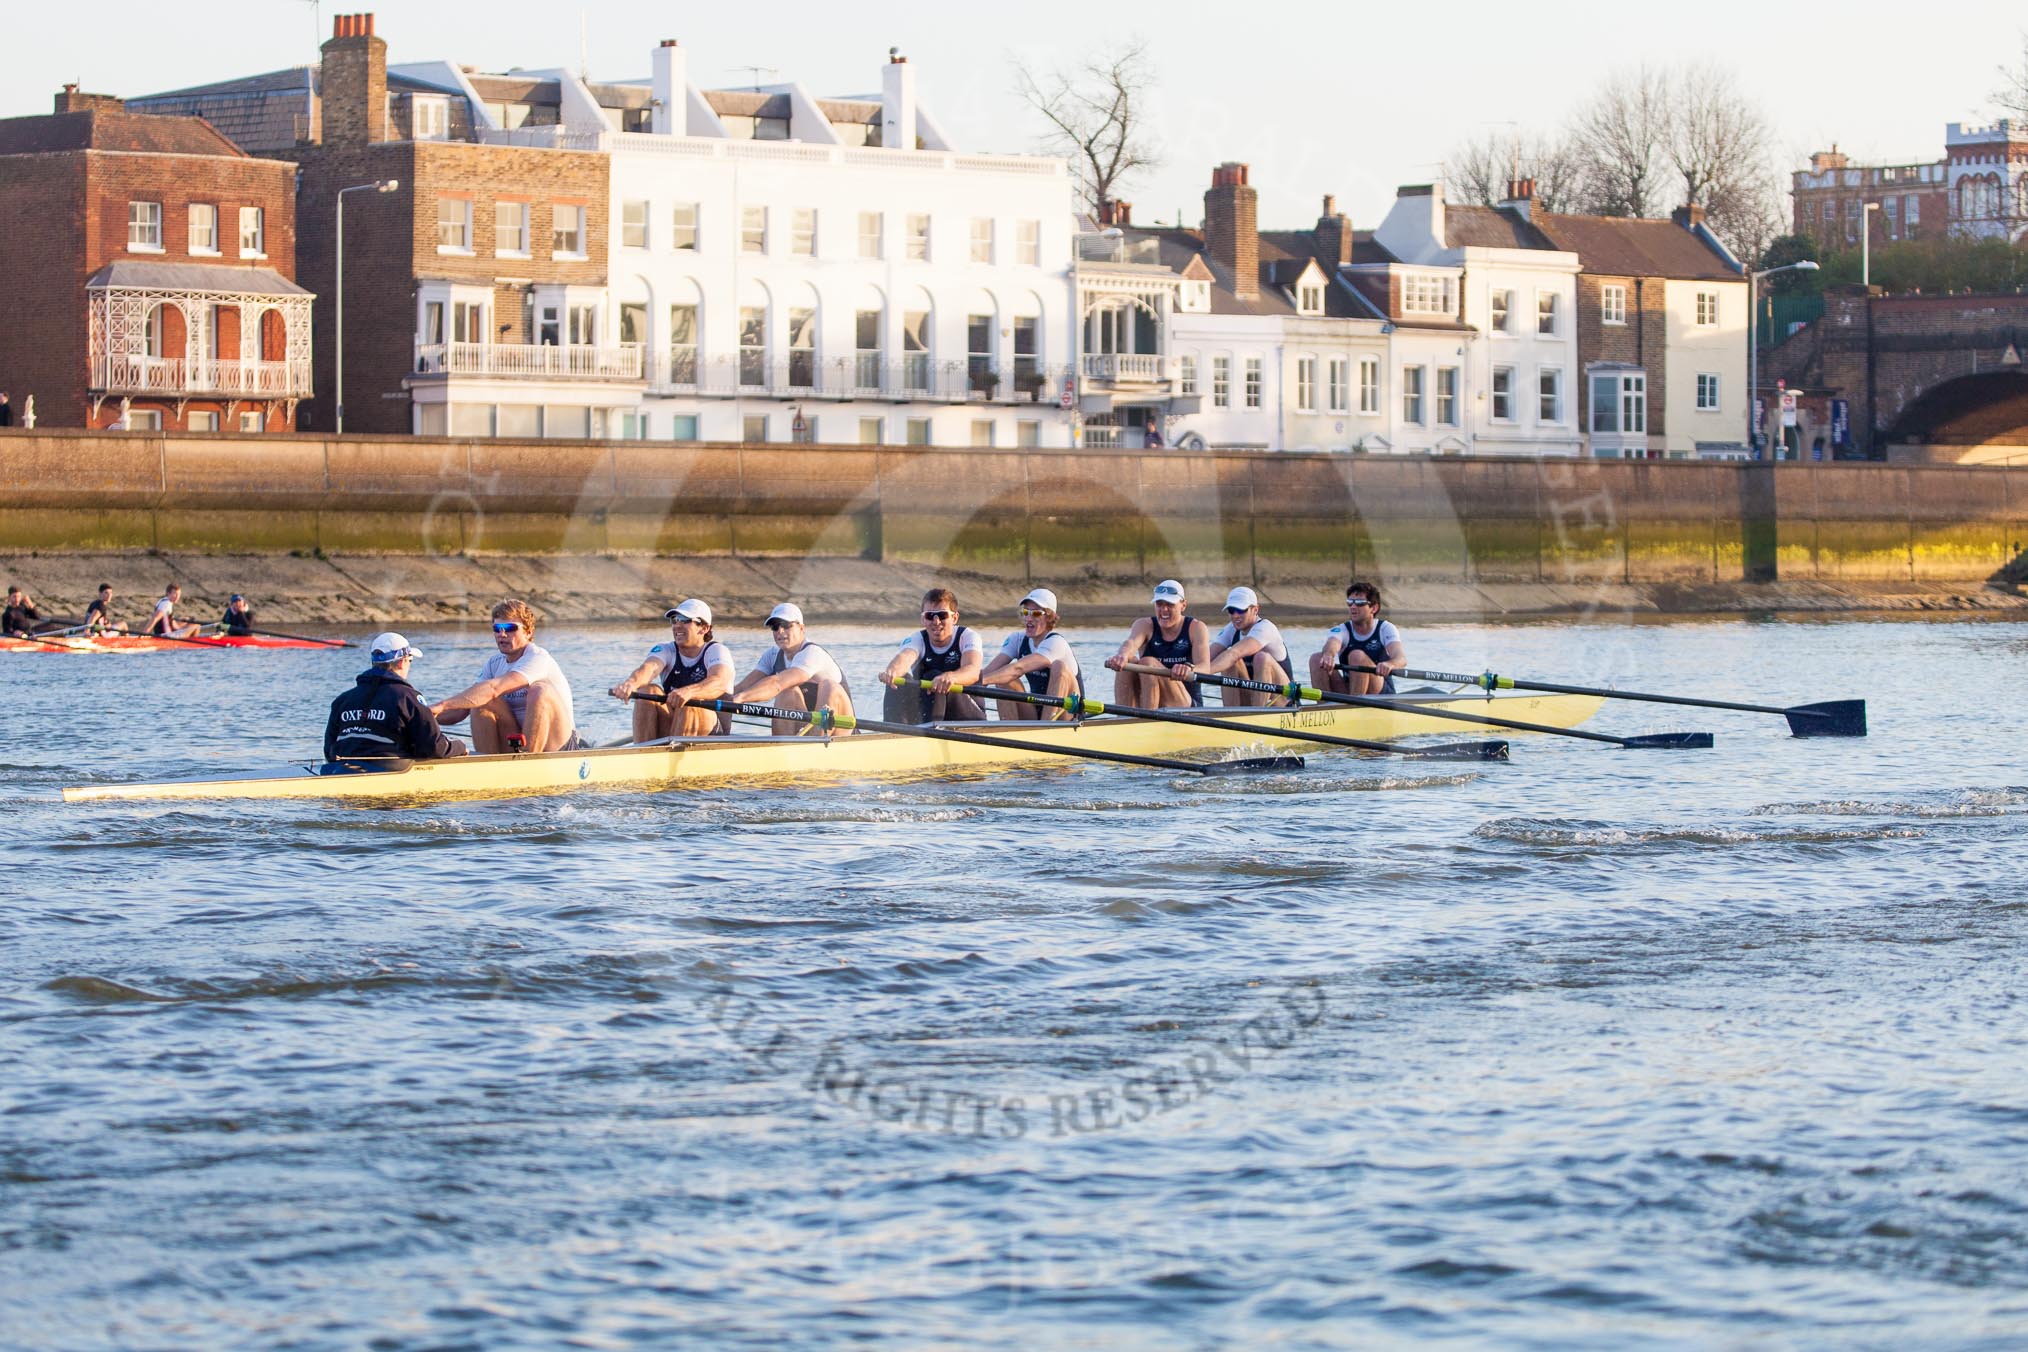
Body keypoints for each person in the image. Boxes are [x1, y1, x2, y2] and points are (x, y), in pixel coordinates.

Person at [429, 599, 582, 753]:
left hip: (559, 745)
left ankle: (528, 763)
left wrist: (442, 705)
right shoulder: (494, 663)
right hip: (518, 739)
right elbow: (462, 709)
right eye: (497, 628)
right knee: (479, 701)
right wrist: (423, 715)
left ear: (528, 632)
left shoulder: (538, 658)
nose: (502, 634)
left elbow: (494, 688)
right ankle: (488, 763)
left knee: (539, 691)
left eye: (510, 628)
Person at [324, 632, 467, 763]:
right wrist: (459, 746)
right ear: (401, 662)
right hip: (390, 769)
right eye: (410, 660)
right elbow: (434, 748)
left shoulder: (342, 700)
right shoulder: (408, 698)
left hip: (341, 767)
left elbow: (328, 750)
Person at [608, 599, 736, 742]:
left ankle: (671, 757)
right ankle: (642, 754)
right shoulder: (666, 649)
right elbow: (649, 669)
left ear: (704, 628)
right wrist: (631, 684)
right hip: (675, 725)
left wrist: (689, 692)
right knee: (646, 691)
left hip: (713, 733)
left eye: (685, 620)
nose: (677, 626)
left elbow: (719, 682)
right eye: (674, 620)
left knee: (691, 703)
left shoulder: (717, 651)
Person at [734, 603, 855, 736]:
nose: (780, 631)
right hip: (808, 726)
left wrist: (741, 698)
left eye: (786, 625)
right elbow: (743, 687)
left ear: (801, 628)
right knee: (788, 691)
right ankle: (782, 747)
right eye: (775, 626)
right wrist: (721, 697)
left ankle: (816, 745)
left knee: (828, 686)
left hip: (841, 729)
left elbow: (777, 683)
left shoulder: (812, 653)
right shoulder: (772, 655)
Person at [877, 587, 986, 723]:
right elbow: (905, 657)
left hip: (968, 714)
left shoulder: (968, 636)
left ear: (954, 618)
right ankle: (894, 733)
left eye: (942, 615)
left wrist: (950, 677)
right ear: (923, 619)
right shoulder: (917, 639)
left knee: (933, 676)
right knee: (900, 679)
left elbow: (972, 671)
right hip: (926, 714)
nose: (936, 622)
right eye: (930, 616)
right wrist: (892, 672)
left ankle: (930, 732)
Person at [978, 587, 1082, 721]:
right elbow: (989, 671)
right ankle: (1008, 731)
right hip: (1036, 709)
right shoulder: (1017, 639)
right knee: (1002, 679)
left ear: (1050, 617)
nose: (1029, 618)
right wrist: (963, 682)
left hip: (1068, 713)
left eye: (1036, 614)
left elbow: (1018, 668)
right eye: (1026, 612)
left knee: (1059, 666)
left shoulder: (1056, 642)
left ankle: (1047, 728)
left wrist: (981, 680)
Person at [1103, 578, 1208, 709]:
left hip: (1186, 704)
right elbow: (1131, 643)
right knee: (1128, 661)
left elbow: (1205, 668)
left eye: (1170, 604)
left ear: (1183, 605)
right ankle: (1122, 716)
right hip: (1151, 698)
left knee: (1148, 662)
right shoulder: (1144, 625)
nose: (1164, 610)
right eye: (1159, 604)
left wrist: (1189, 668)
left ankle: (1147, 720)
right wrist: (1121, 655)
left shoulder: (1196, 628)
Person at [1311, 580, 1405, 696]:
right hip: (1349, 688)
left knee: (1356, 656)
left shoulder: (1385, 628)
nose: (1353, 607)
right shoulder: (1342, 629)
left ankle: (1354, 707)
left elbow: (1401, 658)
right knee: (1316, 659)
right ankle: (1323, 709)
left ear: (1374, 608)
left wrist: (1390, 664)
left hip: (1380, 691)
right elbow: (1332, 643)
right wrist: (1328, 655)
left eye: (1360, 603)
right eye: (1350, 602)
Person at [1204, 586, 1293, 707]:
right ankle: (1231, 715)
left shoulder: (1265, 628)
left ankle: (1256, 715)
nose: (1235, 615)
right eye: (1231, 610)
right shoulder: (1231, 628)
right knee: (1227, 661)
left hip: (1283, 700)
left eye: (1241, 610)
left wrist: (1201, 671)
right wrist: (1186, 668)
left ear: (1255, 610)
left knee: (1261, 658)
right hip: (1254, 697)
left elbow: (1235, 653)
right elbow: (1206, 657)